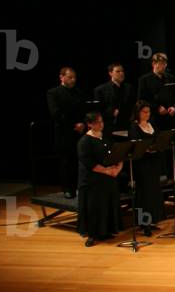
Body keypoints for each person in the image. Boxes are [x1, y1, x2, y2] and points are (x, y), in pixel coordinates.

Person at [76, 111, 122, 246]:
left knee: (107, 204)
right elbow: (89, 163)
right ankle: (92, 234)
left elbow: (117, 153)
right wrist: (107, 171)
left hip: (108, 178)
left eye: (102, 121)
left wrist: (117, 168)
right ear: (89, 124)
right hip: (92, 180)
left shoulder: (105, 137)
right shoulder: (85, 141)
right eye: (97, 122)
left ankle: (106, 231)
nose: (101, 124)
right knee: (94, 207)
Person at [47, 66, 85, 198]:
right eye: (70, 77)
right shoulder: (54, 93)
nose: (73, 80)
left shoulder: (78, 92)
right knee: (66, 162)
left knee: (79, 161)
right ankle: (68, 189)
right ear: (61, 77)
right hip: (64, 133)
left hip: (79, 132)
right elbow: (56, 113)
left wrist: (83, 123)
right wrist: (74, 124)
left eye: (74, 77)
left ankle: (79, 187)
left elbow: (83, 111)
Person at [129, 100, 165, 235]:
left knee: (154, 192)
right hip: (142, 164)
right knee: (143, 194)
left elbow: (158, 139)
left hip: (154, 162)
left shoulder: (151, 125)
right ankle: (143, 223)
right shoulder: (134, 127)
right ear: (138, 113)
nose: (147, 114)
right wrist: (147, 149)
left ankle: (152, 220)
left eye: (148, 112)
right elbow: (135, 146)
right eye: (144, 112)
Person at [137, 52, 175, 130]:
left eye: (165, 64)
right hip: (153, 117)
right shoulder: (144, 80)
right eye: (161, 63)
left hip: (169, 117)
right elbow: (142, 100)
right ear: (153, 64)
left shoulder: (171, 78)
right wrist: (156, 108)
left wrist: (173, 107)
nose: (164, 66)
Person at [94, 63, 134, 137]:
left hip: (126, 125)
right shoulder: (101, 90)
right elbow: (98, 110)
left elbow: (133, 105)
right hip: (109, 126)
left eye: (122, 71)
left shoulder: (129, 88)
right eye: (118, 71)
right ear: (110, 73)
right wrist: (111, 112)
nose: (121, 73)